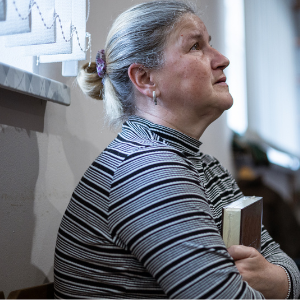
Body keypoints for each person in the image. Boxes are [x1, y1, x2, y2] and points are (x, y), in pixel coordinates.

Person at [54, 1, 300, 299]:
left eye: (211, 44)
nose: (222, 59)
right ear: (145, 79)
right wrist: (282, 285)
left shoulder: (203, 165)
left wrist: (280, 280)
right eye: (196, 46)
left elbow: (278, 258)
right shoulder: (148, 170)